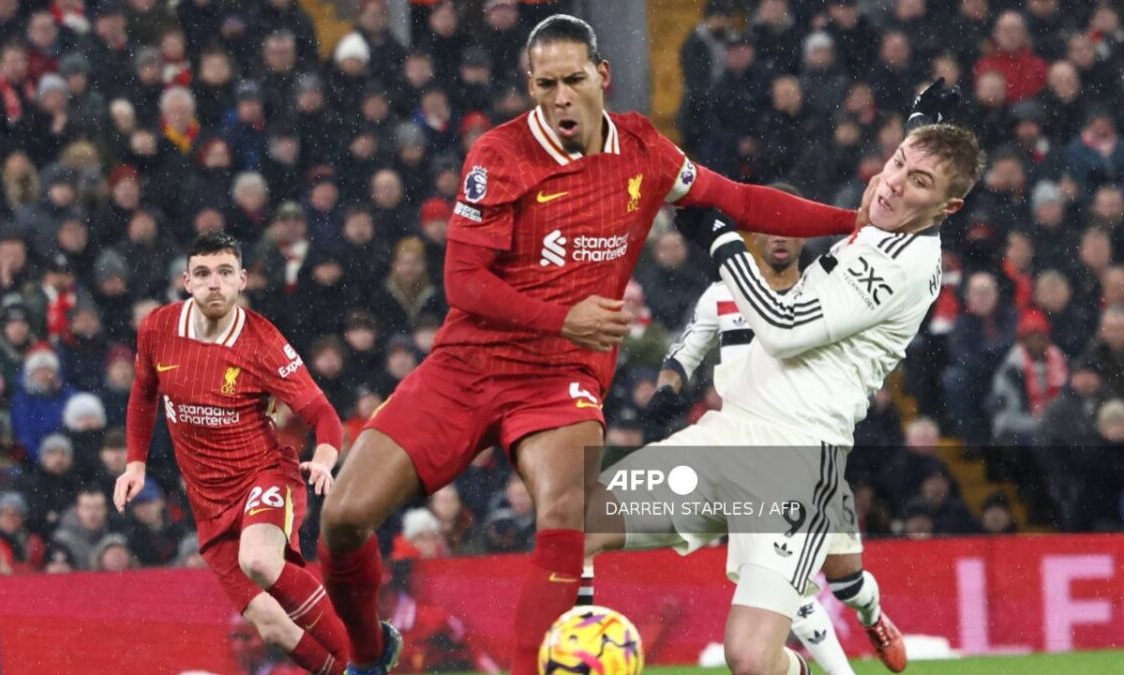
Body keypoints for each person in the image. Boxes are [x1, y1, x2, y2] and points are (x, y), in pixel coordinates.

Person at [319, 14, 863, 675]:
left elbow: (741, 198)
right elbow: (462, 283)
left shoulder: (643, 152)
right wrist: (561, 316)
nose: (559, 98)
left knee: (567, 514)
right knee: (344, 518)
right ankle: (370, 653)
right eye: (545, 84)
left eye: (573, 80)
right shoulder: (498, 155)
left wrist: (856, 220)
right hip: (467, 367)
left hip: (559, 381)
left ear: (601, 76)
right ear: (530, 85)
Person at [591, 90, 984, 675]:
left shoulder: (902, 265)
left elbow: (784, 326)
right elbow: (912, 165)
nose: (895, 182)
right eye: (898, 161)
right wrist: (926, 124)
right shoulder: (889, 215)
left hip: (795, 463)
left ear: (946, 209)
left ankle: (831, 649)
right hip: (726, 434)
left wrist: (721, 238)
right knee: (574, 521)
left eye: (919, 181)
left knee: (751, 657)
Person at [629, 184, 903, 675]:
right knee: (783, 589)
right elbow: (683, 353)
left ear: (803, 236)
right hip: (747, 452)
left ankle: (876, 618)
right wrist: (667, 389)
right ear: (751, 234)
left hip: (807, 451)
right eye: (769, 227)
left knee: (849, 580)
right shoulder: (721, 295)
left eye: (790, 228)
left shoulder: (821, 293)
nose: (779, 237)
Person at [115, 231, 350, 675]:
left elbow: (323, 412)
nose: (214, 284)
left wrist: (323, 459)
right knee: (275, 629)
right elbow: (143, 393)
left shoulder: (262, 341)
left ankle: (362, 658)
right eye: (203, 274)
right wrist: (135, 464)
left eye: (225, 273)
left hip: (264, 475)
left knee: (259, 560)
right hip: (209, 505)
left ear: (242, 280)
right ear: (187, 281)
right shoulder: (158, 328)